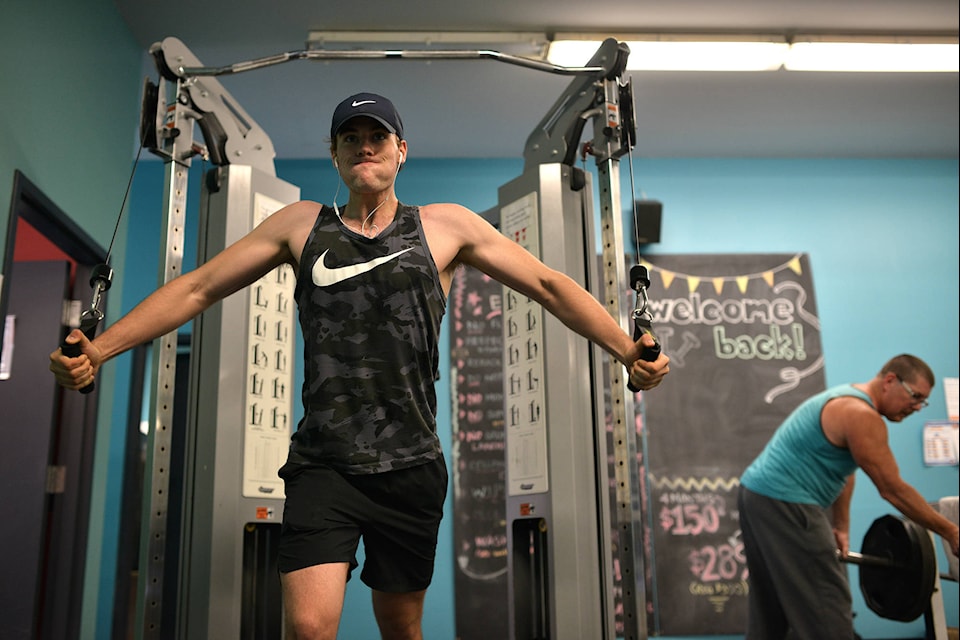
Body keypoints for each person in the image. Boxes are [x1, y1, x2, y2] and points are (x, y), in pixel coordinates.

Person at [50, 92, 670, 640]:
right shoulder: (302, 227)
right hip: (325, 463)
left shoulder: (443, 226)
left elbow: (547, 283)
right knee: (309, 627)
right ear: (335, 153)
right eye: (351, 138)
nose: (364, 147)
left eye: (377, 137)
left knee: (400, 625)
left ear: (402, 150)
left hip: (412, 467)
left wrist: (625, 349)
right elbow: (199, 288)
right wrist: (100, 348)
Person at [737, 354, 960, 640]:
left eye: (922, 402)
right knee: (826, 604)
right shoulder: (860, 414)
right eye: (915, 397)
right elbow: (892, 489)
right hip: (788, 502)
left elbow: (846, 471)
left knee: (770, 609)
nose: (917, 407)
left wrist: (841, 525)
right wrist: (950, 531)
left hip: (757, 496)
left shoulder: (847, 397)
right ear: (890, 380)